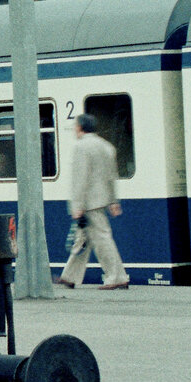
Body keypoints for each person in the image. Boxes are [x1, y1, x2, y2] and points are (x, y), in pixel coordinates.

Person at [56, 114, 129, 290]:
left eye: (75, 126)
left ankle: (116, 277)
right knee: (83, 239)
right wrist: (113, 201)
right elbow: (112, 176)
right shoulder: (106, 146)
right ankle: (69, 276)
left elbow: (80, 178)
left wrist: (77, 205)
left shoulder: (81, 147)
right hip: (100, 200)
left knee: (102, 240)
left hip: (89, 203)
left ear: (80, 127)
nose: (74, 129)